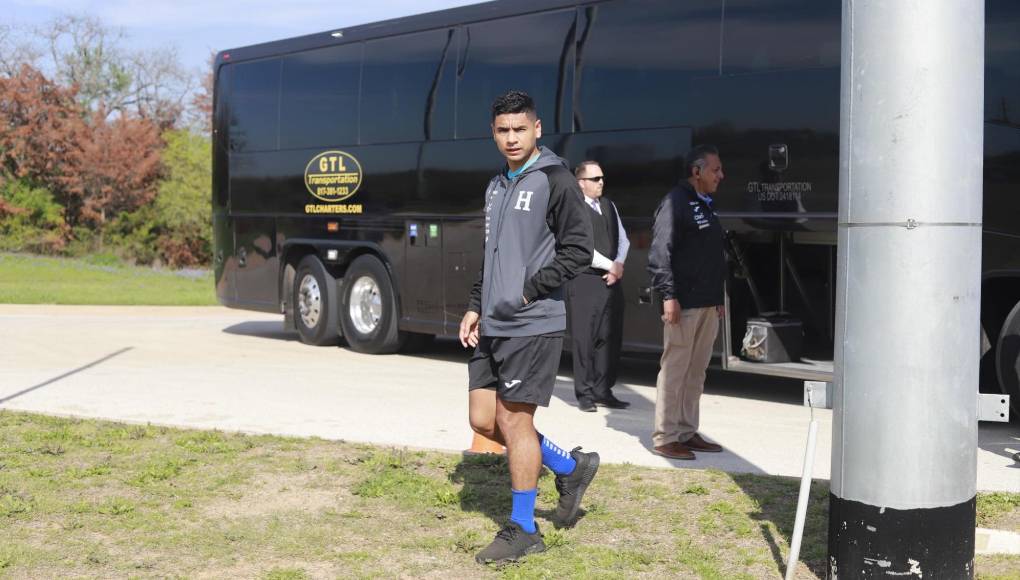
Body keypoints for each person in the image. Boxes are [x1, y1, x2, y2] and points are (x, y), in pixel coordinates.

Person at [459, 90, 600, 564]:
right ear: (493, 133)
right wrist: (477, 304)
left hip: (532, 321)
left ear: (537, 129)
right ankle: (568, 465)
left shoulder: (556, 180)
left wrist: (530, 289)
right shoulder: (496, 185)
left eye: (521, 129)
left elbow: (579, 250)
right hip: (494, 322)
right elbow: (491, 253)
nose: (512, 138)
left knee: (515, 421)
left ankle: (524, 528)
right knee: (483, 419)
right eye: (503, 130)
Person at [646, 145, 727, 461]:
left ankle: (687, 430)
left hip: (707, 302)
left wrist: (717, 298)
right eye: (715, 169)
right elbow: (659, 253)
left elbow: (710, 256)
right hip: (684, 302)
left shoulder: (706, 203)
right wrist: (668, 295)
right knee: (675, 370)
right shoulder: (674, 202)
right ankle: (666, 436)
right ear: (697, 171)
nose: (721, 175)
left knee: (696, 371)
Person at [567, 161, 631, 412]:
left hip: (611, 281)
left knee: (609, 337)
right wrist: (611, 266)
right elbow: (581, 249)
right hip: (585, 281)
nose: (601, 182)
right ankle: (584, 394)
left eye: (602, 178)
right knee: (584, 339)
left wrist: (619, 264)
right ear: (581, 183)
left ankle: (604, 390)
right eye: (595, 179)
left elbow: (623, 239)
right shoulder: (572, 209)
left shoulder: (609, 205)